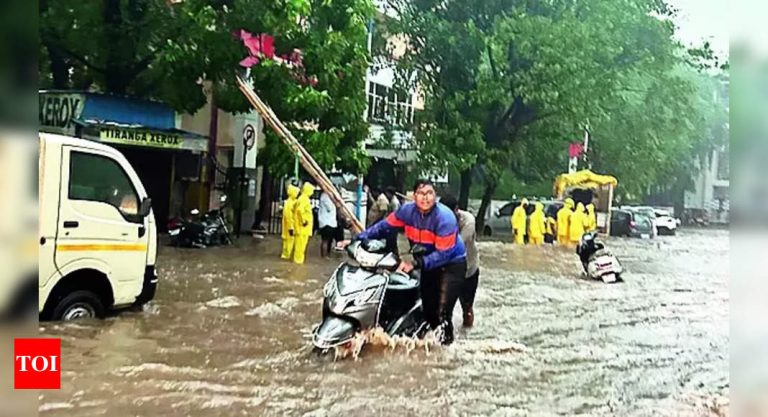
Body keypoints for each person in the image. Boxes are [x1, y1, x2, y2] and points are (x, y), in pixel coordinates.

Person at [354, 179, 467, 344]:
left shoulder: (445, 217)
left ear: (435, 196)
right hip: (427, 261)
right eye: (421, 194)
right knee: (429, 309)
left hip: (452, 262)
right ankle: (429, 344)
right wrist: (359, 238)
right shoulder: (406, 212)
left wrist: (415, 263)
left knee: (443, 312)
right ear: (414, 196)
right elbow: (384, 227)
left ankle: (446, 351)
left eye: (429, 193)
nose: (426, 198)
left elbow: (444, 254)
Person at [440, 195, 479, 327]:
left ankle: (466, 334)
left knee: (467, 309)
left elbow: (456, 245)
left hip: (469, 269)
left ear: (456, 210)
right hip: (450, 271)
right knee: (443, 308)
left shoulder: (468, 221)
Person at [293, 182, 315, 264]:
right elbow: (299, 210)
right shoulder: (304, 199)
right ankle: (297, 263)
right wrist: (304, 221)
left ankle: (298, 262)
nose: (312, 192)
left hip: (303, 228)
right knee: (300, 247)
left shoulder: (303, 198)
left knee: (301, 246)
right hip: (302, 228)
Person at [280, 184, 300, 260]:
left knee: (289, 242)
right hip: (289, 227)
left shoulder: (293, 201)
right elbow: (288, 217)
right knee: (288, 243)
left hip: (291, 226)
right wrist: (291, 228)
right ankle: (286, 257)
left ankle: (286, 256)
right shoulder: (289, 203)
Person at [318, 189, 337, 258]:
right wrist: (335, 200)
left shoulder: (326, 196)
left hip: (330, 222)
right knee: (325, 240)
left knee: (329, 240)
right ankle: (324, 256)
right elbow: (330, 208)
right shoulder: (325, 196)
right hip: (326, 222)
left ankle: (327, 255)